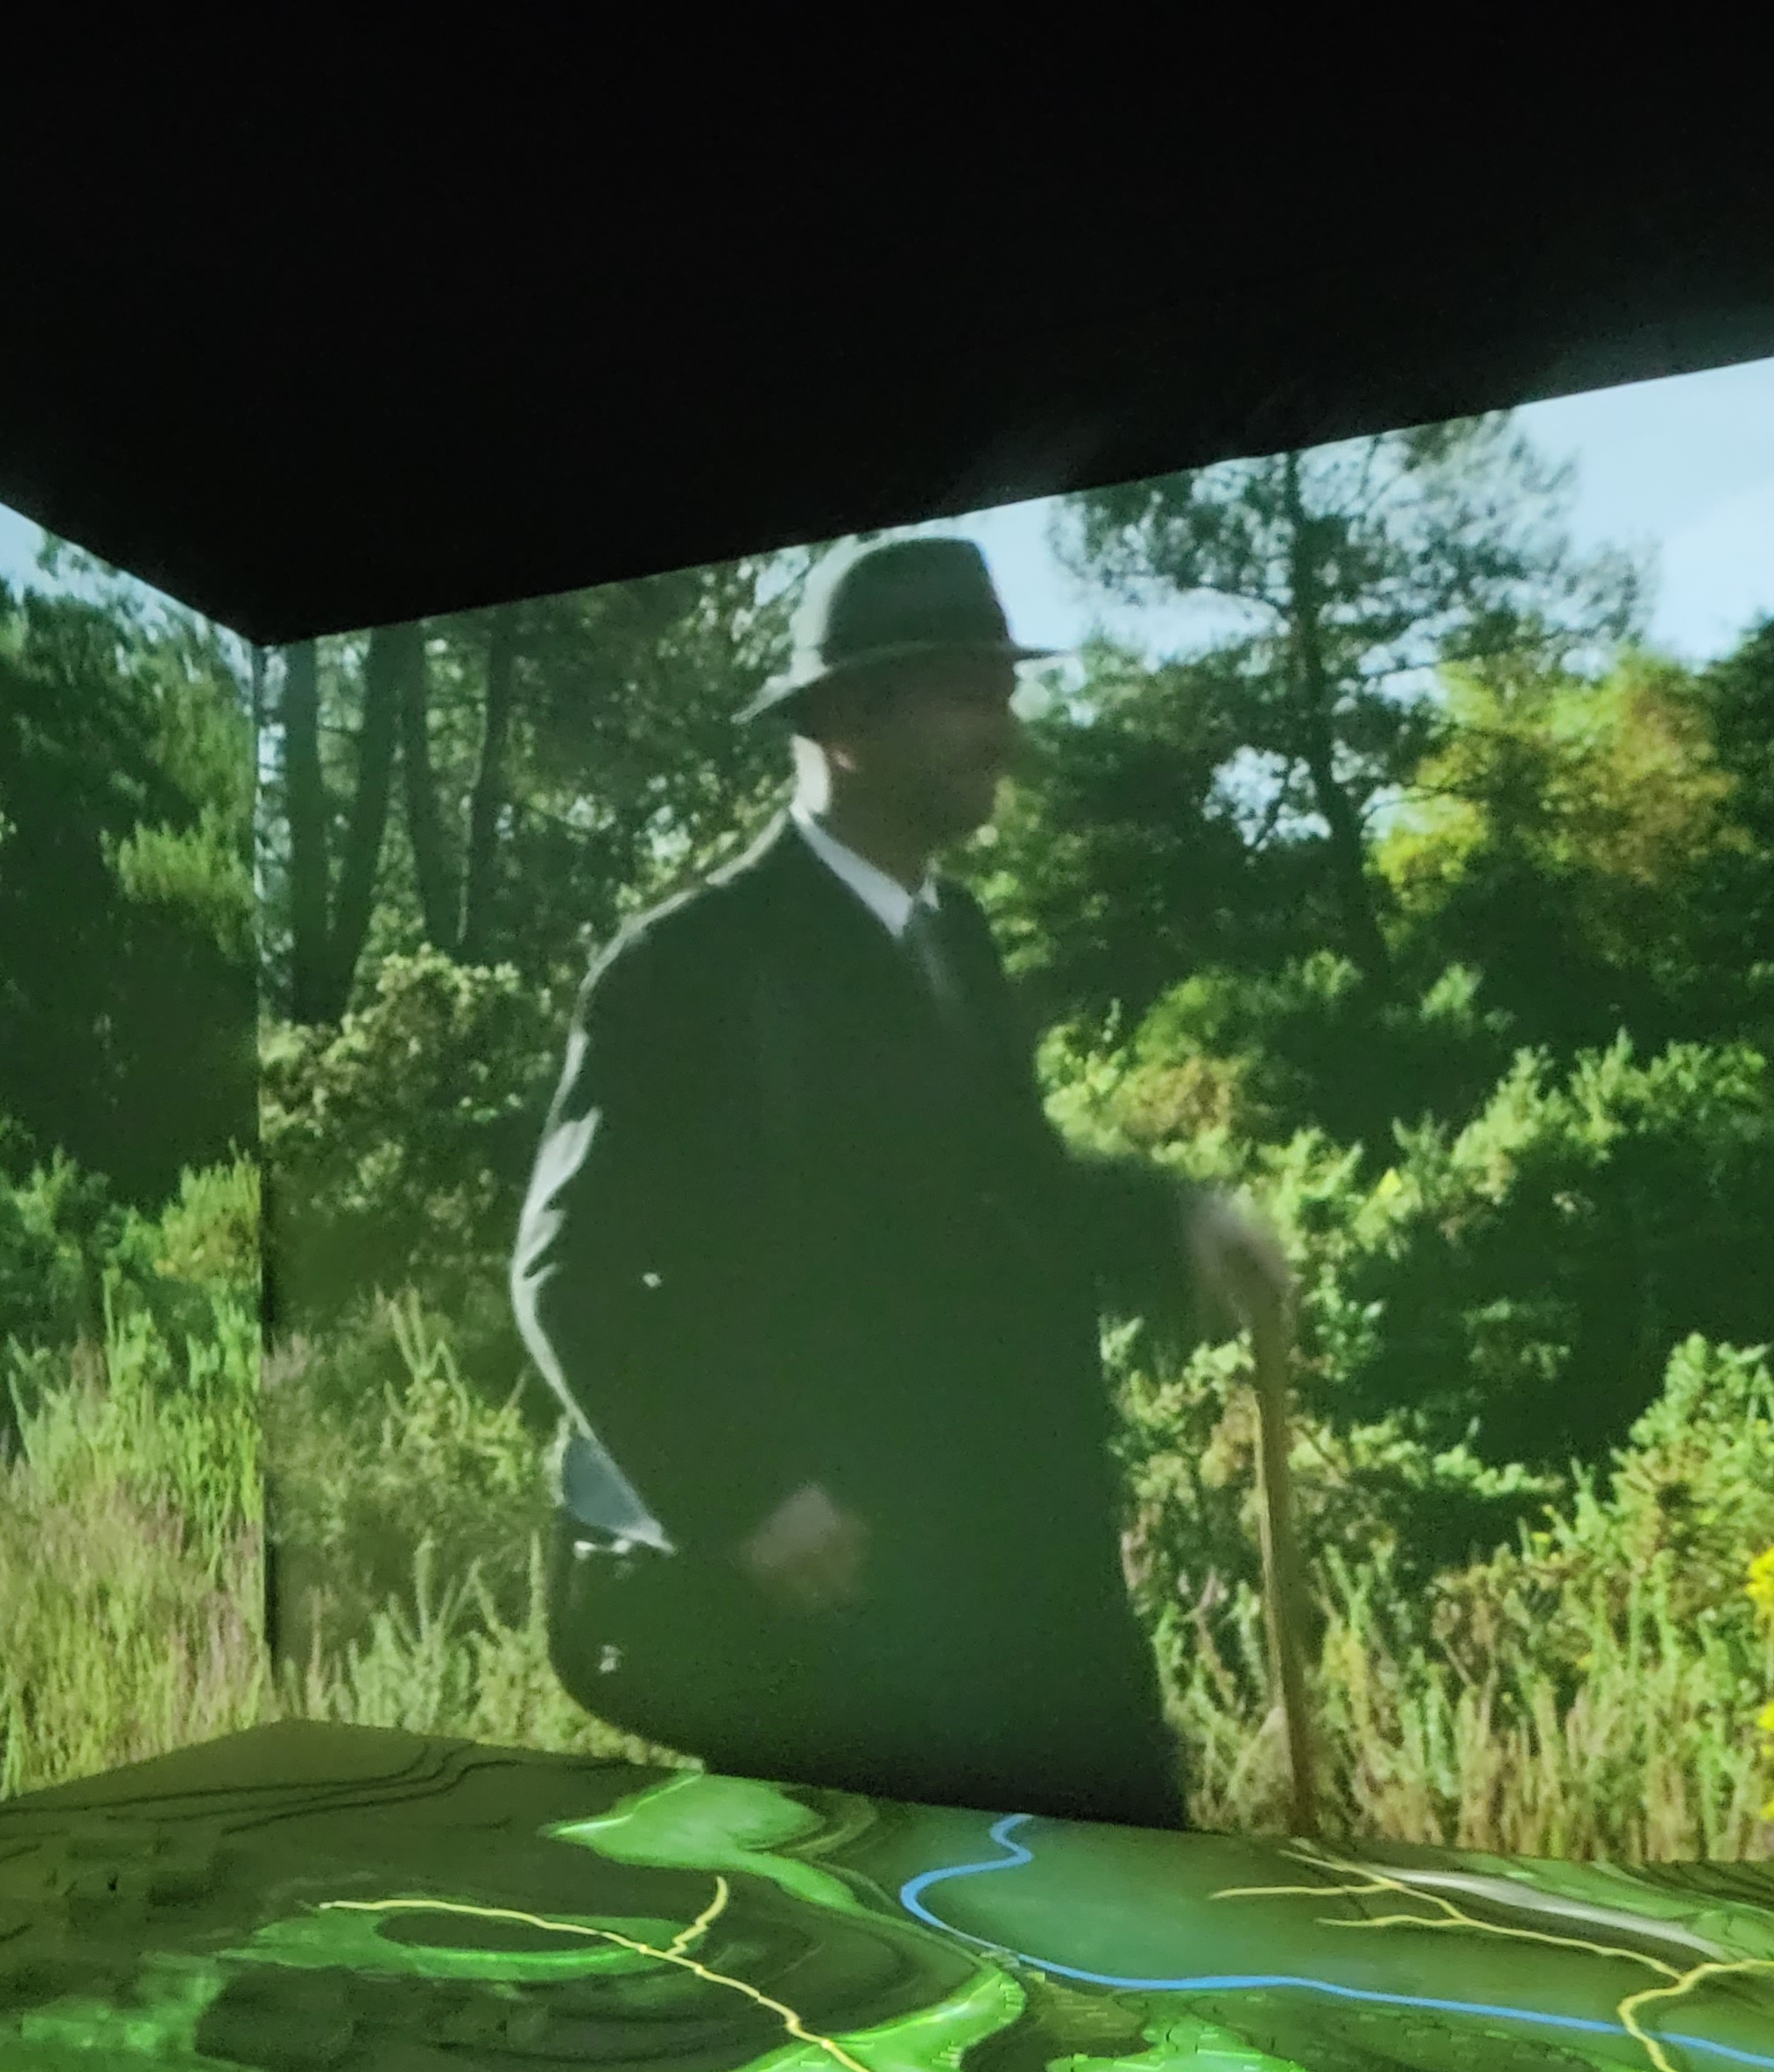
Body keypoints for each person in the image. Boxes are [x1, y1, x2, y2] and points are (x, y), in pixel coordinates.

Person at [511, 534, 1294, 1829]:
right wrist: (746, 1498)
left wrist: (1176, 1221)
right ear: (850, 722)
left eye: (1007, 689)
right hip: (844, 1628)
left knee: (1119, 1908)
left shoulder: (955, 938)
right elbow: (567, 1274)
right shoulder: (692, 966)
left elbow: (1006, 1183)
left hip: (1033, 1586)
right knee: (888, 1938)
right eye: (970, 695)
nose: (1007, 728)